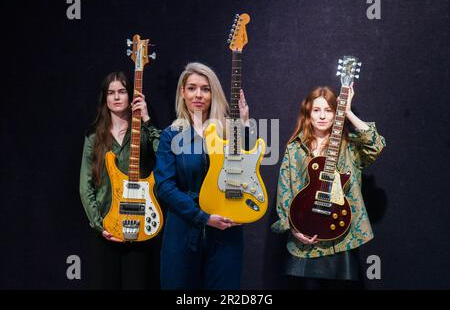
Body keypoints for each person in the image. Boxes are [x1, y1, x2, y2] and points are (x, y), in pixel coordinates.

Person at [271, 85, 386, 289]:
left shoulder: (350, 146)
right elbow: (284, 191)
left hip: (341, 238)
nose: (322, 116)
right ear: (308, 113)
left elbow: (375, 145)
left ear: (336, 113)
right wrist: (293, 228)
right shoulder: (295, 148)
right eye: (316, 110)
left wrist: (347, 111)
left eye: (329, 110)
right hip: (304, 241)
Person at [153, 62, 253, 289]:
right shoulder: (171, 135)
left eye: (205, 89)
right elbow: (165, 187)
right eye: (192, 88)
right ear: (182, 92)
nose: (198, 95)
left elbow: (247, 169)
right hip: (183, 230)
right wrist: (203, 217)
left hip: (226, 230)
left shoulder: (229, 131)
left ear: (213, 93)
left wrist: (245, 125)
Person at [79, 71, 161, 289]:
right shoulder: (93, 137)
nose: (116, 97)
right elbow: (84, 185)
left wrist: (147, 119)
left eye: (122, 92)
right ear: (105, 98)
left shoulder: (144, 133)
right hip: (106, 225)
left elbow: (165, 155)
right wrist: (99, 225)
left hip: (140, 223)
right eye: (111, 93)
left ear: (131, 96)